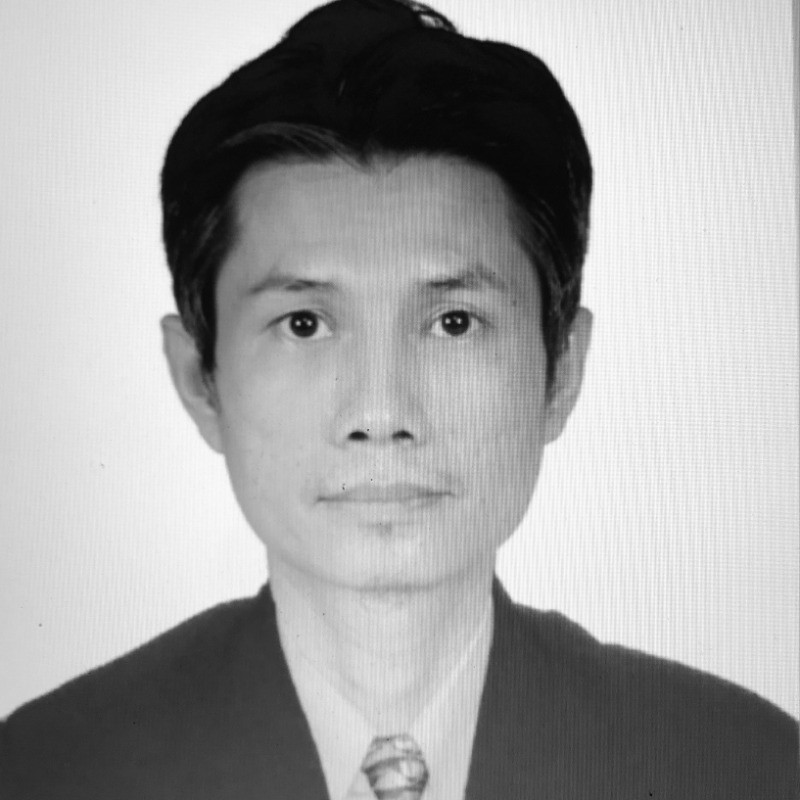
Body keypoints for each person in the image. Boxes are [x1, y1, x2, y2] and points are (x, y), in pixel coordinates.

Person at [0, 0, 797, 797]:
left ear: (561, 370)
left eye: (454, 323)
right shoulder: (47, 770)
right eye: (305, 324)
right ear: (199, 380)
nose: (381, 413)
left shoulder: (742, 766)